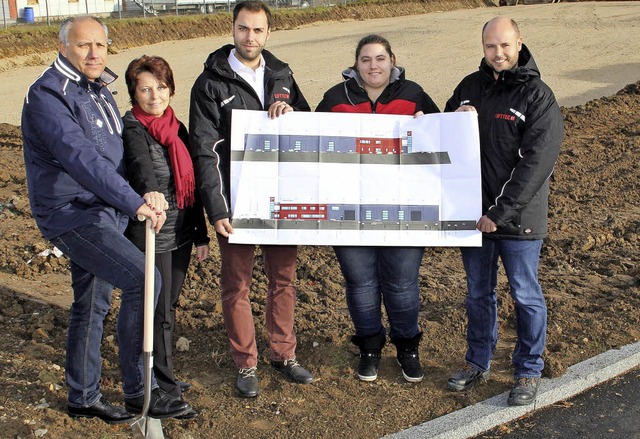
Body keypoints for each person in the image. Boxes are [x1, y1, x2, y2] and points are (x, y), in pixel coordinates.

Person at [21, 16, 190, 423]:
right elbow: (82, 159)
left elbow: (118, 153)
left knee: (92, 303)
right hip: (74, 214)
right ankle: (139, 391)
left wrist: (141, 190)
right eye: (84, 45)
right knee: (144, 279)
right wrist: (134, 202)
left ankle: (82, 396)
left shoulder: (96, 90)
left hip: (105, 210)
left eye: (101, 44)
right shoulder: (48, 94)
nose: (95, 53)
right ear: (63, 48)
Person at [189, 0, 313, 398]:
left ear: (268, 33)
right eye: (243, 29)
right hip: (237, 203)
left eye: (257, 30)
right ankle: (246, 363)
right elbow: (204, 151)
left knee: (283, 280)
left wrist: (290, 109)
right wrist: (217, 208)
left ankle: (284, 354)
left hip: (280, 201)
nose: (250, 37)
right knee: (236, 285)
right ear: (233, 29)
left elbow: (308, 126)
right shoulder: (210, 83)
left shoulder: (282, 73)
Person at [444, 17, 564, 406]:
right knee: (478, 294)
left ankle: (528, 369)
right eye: (491, 46)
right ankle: (478, 361)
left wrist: (499, 211)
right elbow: (445, 135)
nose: (498, 53)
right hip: (474, 218)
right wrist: (430, 123)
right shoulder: (469, 87)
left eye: (505, 46)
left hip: (518, 220)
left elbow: (536, 163)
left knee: (525, 294)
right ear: (483, 46)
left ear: (519, 43)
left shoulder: (537, 96)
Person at [315, 34, 440, 382]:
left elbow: (441, 139)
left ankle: (407, 348)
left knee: (402, 284)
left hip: (403, 210)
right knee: (361, 285)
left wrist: (439, 121)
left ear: (392, 61)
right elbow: (310, 140)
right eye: (366, 59)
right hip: (348, 211)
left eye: (380, 58)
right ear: (355, 64)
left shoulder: (413, 94)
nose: (373, 66)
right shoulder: (335, 99)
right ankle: (369, 347)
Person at [122, 55, 211, 420]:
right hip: (151, 234)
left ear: (170, 88)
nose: (154, 95)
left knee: (168, 309)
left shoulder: (177, 129)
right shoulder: (132, 127)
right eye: (145, 89)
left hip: (180, 234)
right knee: (155, 313)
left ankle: (164, 374)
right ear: (134, 93)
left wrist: (201, 234)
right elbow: (141, 165)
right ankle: (160, 386)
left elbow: (193, 189)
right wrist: (150, 191)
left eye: (160, 87)